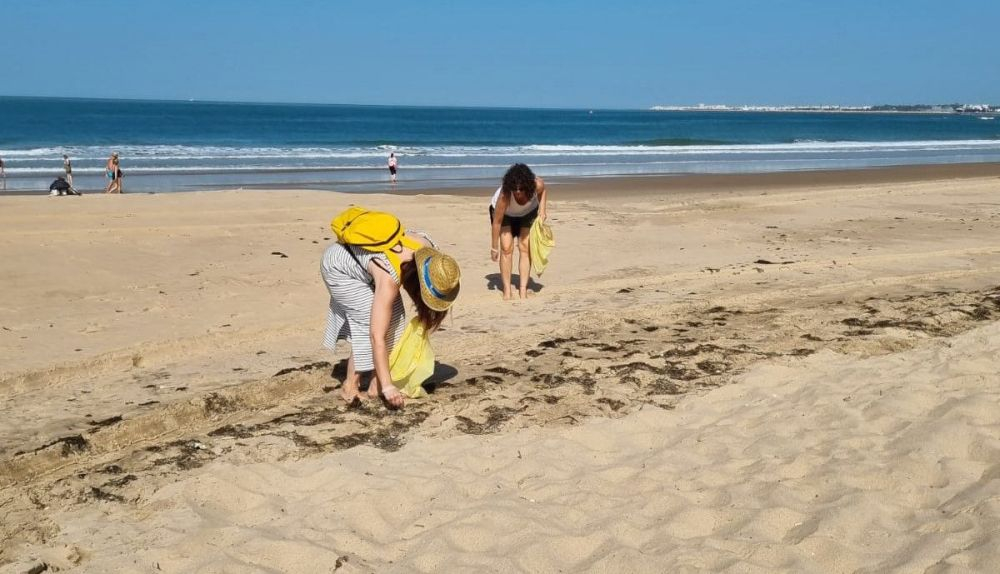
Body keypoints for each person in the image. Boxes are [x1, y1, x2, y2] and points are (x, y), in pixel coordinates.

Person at [321, 230, 460, 409]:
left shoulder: (430, 254)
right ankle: (350, 387)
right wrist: (388, 387)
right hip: (339, 266)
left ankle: (375, 384)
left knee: (396, 318)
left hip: (363, 261)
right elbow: (376, 337)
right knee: (369, 323)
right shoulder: (389, 277)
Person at [489, 163, 548, 300]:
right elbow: (497, 222)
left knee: (525, 247)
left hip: (528, 213)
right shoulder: (505, 194)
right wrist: (494, 247)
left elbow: (543, 190)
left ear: (528, 185)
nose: (518, 192)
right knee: (506, 248)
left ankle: (523, 289)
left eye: (521, 189)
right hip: (505, 215)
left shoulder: (536, 185)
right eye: (514, 189)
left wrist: (543, 210)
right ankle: (507, 290)